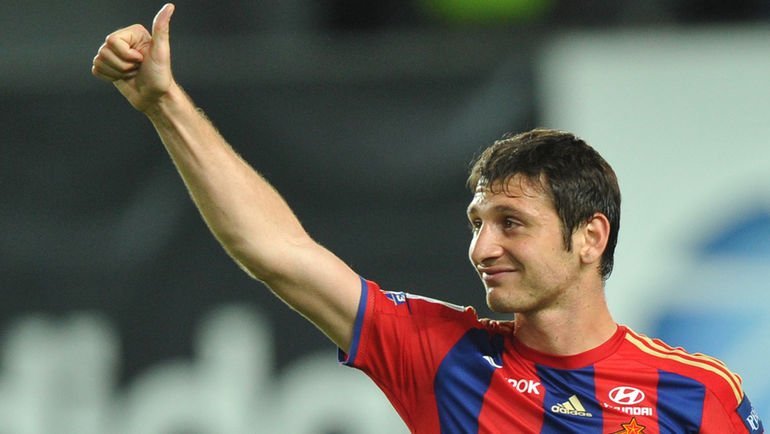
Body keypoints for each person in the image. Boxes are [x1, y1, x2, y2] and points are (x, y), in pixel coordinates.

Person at [91, 4, 764, 433]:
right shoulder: (446, 357)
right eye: (477, 223)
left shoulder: (698, 393)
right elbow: (276, 250)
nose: (482, 248)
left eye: (511, 223)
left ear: (590, 236)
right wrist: (164, 105)